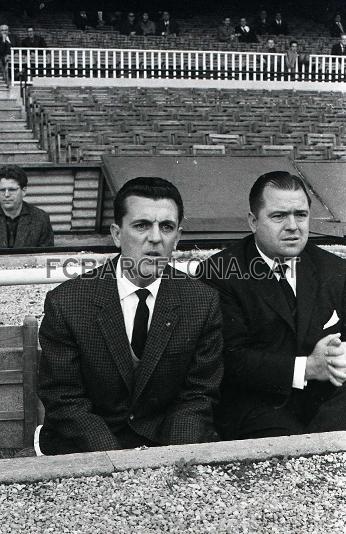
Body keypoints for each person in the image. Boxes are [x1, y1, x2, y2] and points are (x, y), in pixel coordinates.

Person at [38, 176, 223, 455]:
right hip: (91, 446)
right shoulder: (67, 302)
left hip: (167, 443)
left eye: (167, 227)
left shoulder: (202, 301)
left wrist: (172, 459)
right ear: (116, 234)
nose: (155, 238)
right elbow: (65, 400)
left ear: (178, 237)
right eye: (141, 225)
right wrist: (117, 463)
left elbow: (199, 395)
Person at [197, 171, 346, 440]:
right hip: (256, 404)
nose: (293, 226)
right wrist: (308, 368)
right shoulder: (218, 272)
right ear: (253, 222)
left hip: (325, 399)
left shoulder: (334, 269)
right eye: (279, 216)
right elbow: (230, 358)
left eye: (300, 215)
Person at [0, 165, 54, 248]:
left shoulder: (40, 219)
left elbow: (45, 256)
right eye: (2, 190)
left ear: (24, 191)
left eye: (12, 190)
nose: (6, 195)